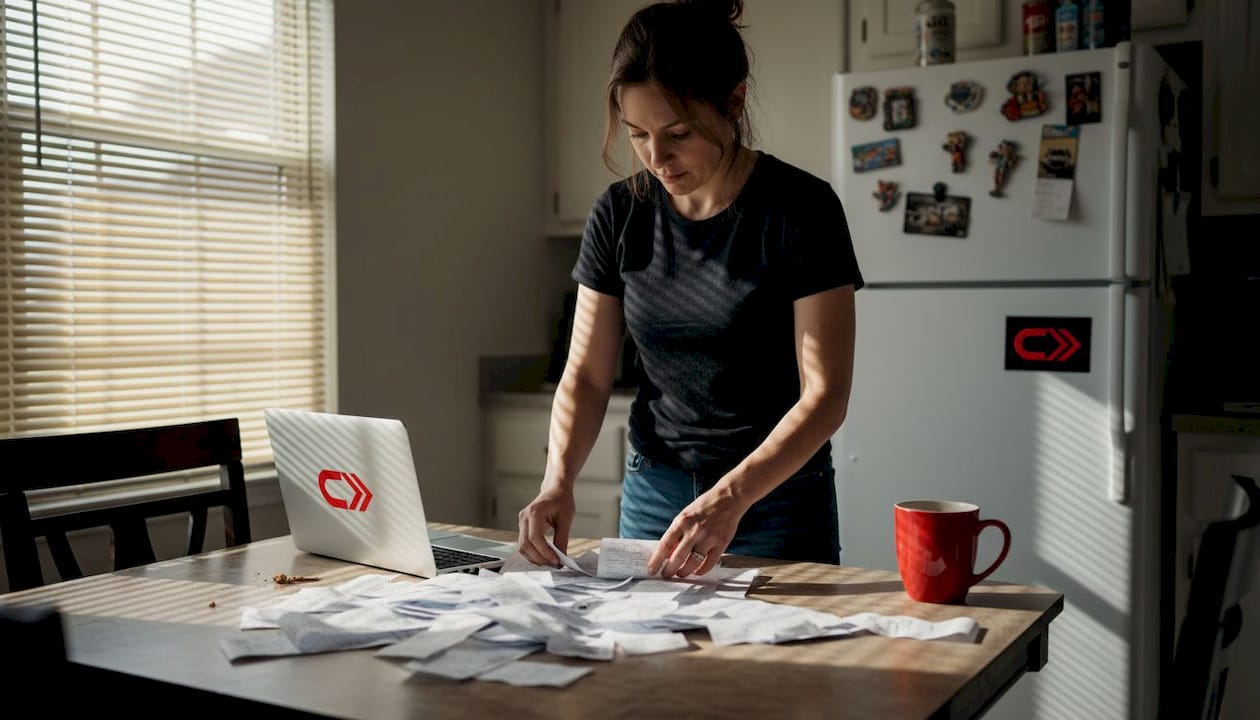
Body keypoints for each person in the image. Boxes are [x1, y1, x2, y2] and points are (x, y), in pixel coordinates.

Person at [516, 0, 863, 579]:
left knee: (783, 668)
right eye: (638, 134)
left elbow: (824, 394)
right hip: (656, 494)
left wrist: (731, 497)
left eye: (678, 134)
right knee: (653, 666)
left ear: (734, 102)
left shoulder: (801, 210)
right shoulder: (619, 214)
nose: (657, 158)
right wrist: (557, 480)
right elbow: (587, 375)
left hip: (776, 499)